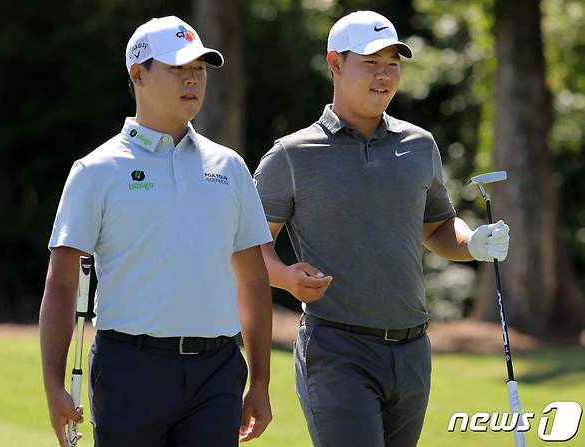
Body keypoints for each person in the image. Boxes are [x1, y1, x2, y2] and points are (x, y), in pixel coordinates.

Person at [254, 10, 510, 447]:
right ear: (335, 63)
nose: (384, 75)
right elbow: (247, 247)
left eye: (393, 63)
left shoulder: (419, 144)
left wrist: (475, 244)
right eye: (370, 62)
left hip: (412, 351)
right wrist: (284, 277)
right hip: (336, 349)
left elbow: (438, 227)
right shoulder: (292, 155)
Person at [39, 16, 273, 447]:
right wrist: (53, 382)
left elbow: (254, 278)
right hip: (130, 368)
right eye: (178, 68)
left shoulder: (230, 167)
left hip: (218, 370)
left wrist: (260, 380)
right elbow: (61, 282)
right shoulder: (96, 170)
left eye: (199, 69)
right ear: (137, 74)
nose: (192, 80)